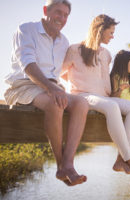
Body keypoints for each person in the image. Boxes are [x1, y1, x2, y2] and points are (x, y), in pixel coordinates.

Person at [4, 0, 89, 186]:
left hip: (52, 87)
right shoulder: (26, 29)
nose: (62, 18)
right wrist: (51, 88)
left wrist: (58, 88)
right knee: (55, 103)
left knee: (82, 103)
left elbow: (61, 72)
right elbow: (27, 64)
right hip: (23, 84)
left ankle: (68, 163)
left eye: (66, 15)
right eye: (58, 12)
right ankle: (61, 166)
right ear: (45, 10)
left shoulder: (64, 41)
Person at [61, 14, 130, 185]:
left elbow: (104, 80)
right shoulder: (75, 49)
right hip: (83, 96)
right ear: (100, 30)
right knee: (111, 107)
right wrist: (75, 85)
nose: (113, 36)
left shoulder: (106, 54)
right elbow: (60, 73)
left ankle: (120, 159)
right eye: (110, 32)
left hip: (103, 97)